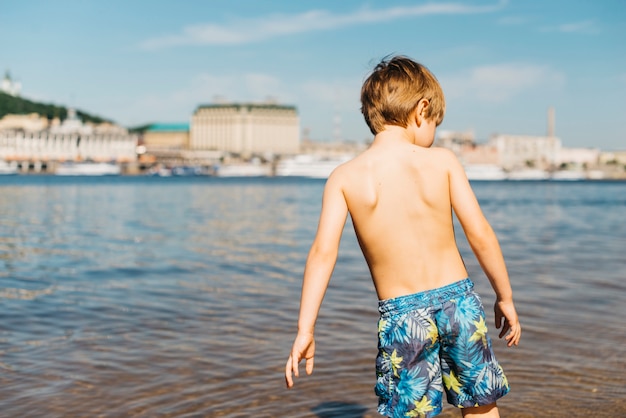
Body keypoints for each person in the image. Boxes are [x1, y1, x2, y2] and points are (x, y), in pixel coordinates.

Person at [284, 55, 521, 418]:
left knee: (409, 411)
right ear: (421, 109)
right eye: (435, 123)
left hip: (402, 316)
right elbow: (481, 234)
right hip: (459, 303)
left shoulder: (345, 177)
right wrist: (504, 295)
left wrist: (305, 327)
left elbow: (322, 254)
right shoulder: (442, 162)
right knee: (480, 405)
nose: (434, 134)